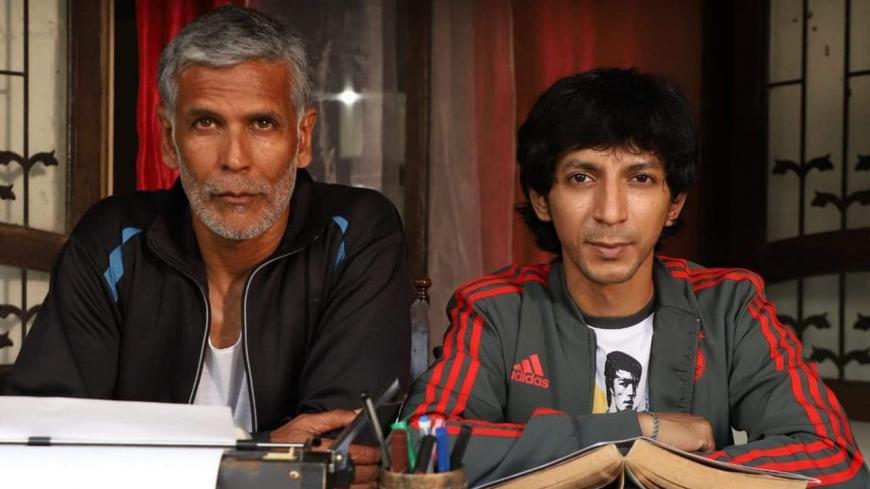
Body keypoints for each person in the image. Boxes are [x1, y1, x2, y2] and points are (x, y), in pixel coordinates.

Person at [403, 68, 868, 487]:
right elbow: (421, 446)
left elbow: (835, 460)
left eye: (640, 178)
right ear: (543, 199)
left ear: (674, 202)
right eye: (582, 177)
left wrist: (689, 474)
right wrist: (637, 430)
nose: (611, 213)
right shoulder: (497, 308)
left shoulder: (729, 306)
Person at [6, 6, 409, 486]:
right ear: (168, 139)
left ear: (302, 138)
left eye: (262, 124)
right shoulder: (112, 239)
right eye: (206, 124)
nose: (235, 159)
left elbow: (337, 452)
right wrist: (260, 453)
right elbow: (40, 442)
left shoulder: (355, 232)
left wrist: (147, 458)